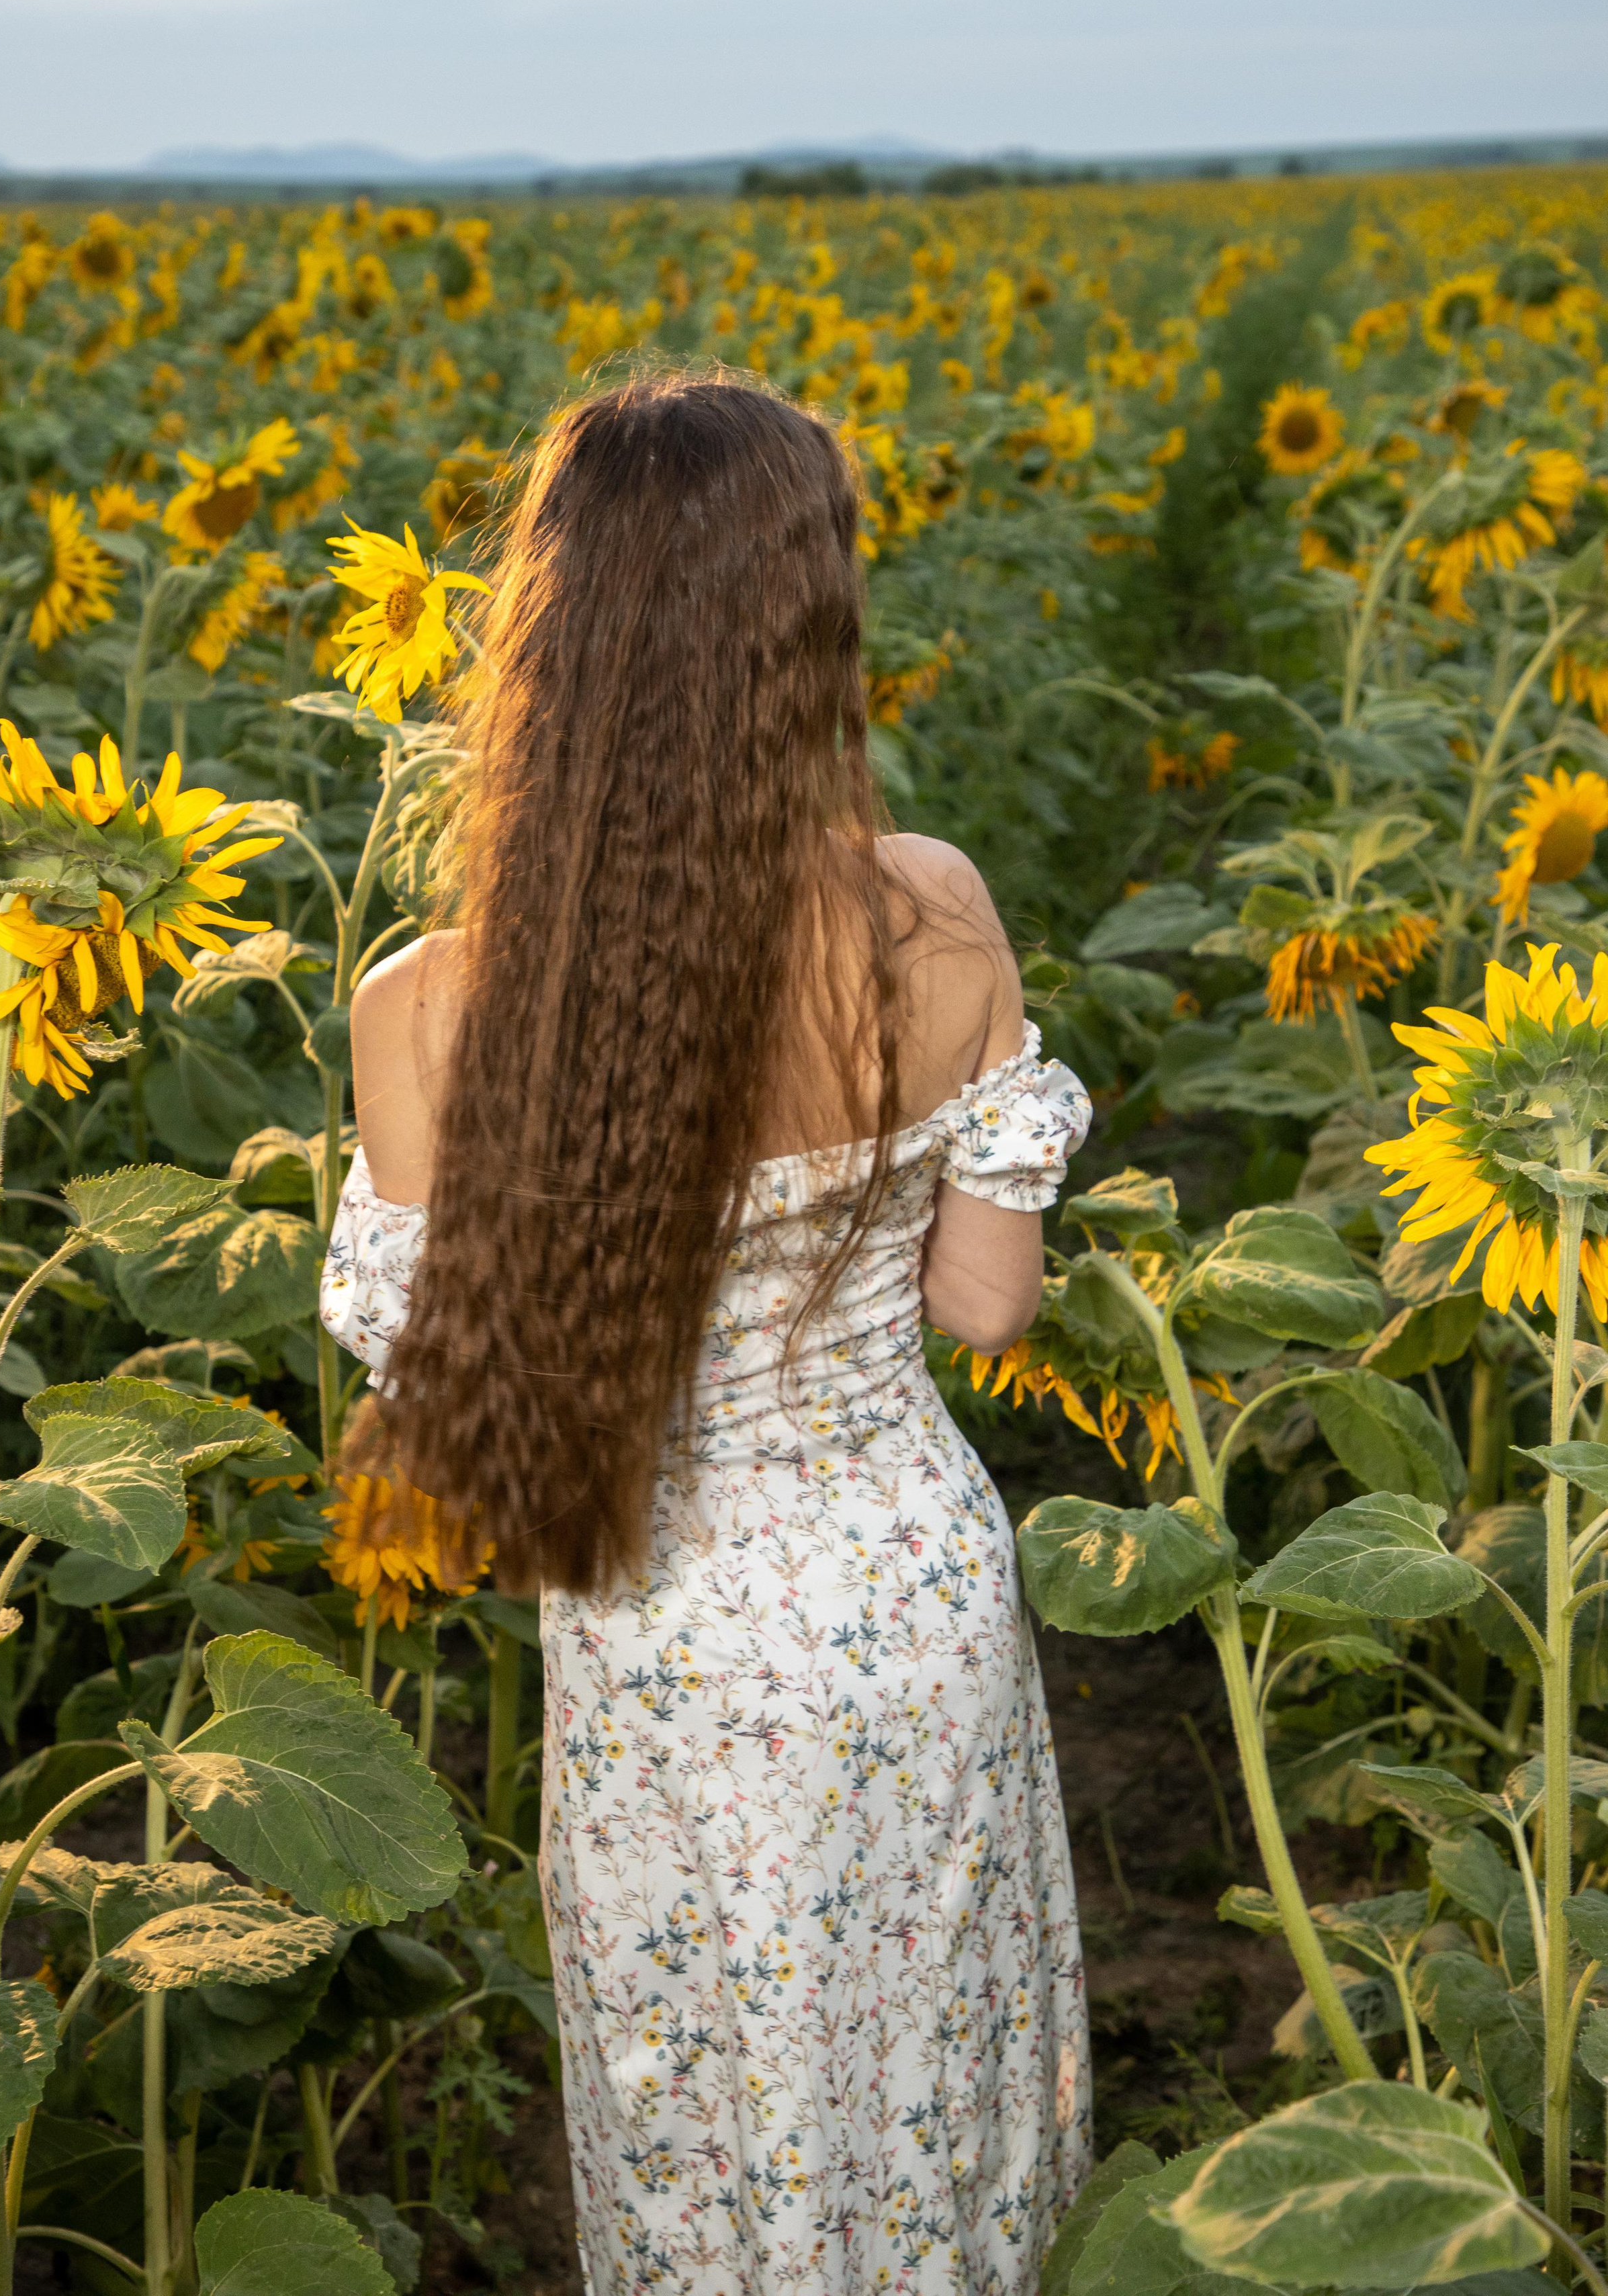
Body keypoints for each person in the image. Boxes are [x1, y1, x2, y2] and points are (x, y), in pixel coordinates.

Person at [320, 369, 1093, 2296]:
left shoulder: (426, 1003)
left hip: (663, 1641)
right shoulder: (932, 914)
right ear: (808, 619)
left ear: (548, 631)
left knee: (709, 2130)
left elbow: (447, 1415)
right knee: (937, 2123)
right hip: (910, 1601)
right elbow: (989, 1308)